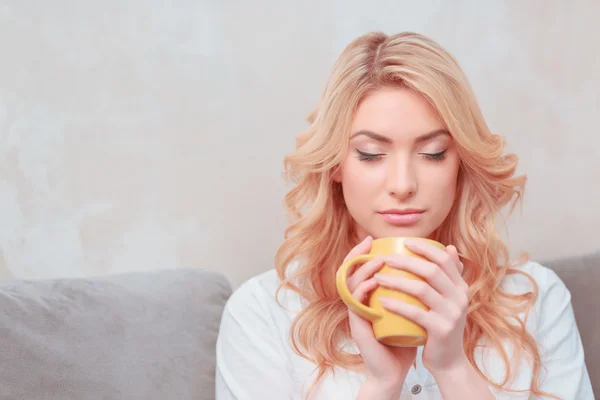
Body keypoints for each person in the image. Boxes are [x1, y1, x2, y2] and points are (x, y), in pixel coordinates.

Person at [215, 31, 594, 399]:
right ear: (334, 164)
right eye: (370, 154)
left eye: (432, 153)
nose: (402, 185)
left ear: (461, 161)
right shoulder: (262, 314)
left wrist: (453, 370)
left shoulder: (535, 299)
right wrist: (382, 386)